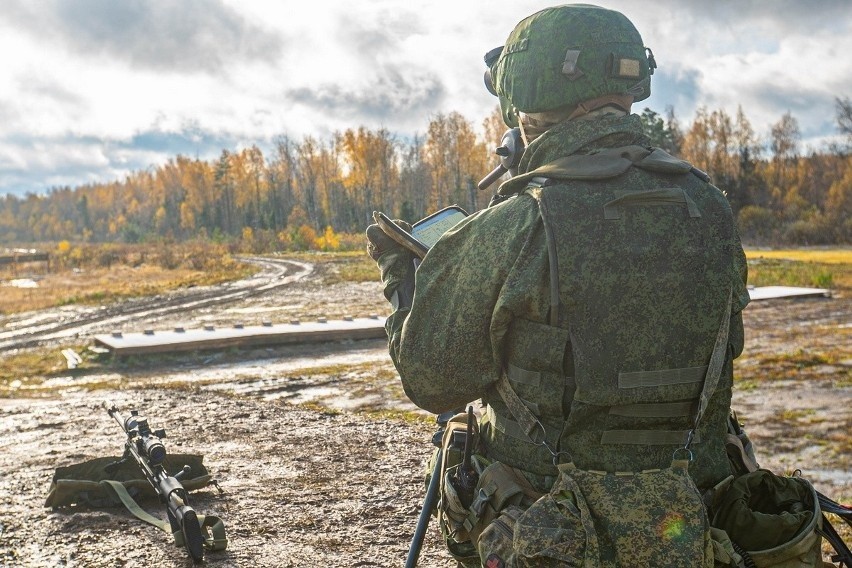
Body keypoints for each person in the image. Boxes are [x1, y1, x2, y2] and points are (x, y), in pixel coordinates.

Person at [368, 4, 750, 566]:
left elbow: (433, 382)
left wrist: (403, 282)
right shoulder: (710, 206)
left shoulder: (517, 222)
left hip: (553, 528)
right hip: (697, 523)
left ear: (525, 92)